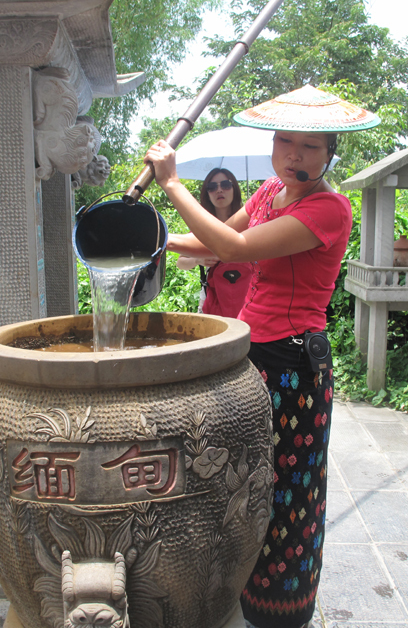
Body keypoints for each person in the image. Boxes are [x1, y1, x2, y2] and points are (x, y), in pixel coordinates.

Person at [145, 85, 379, 628]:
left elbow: (237, 251)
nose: (294, 154)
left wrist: (174, 183)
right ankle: (240, 590)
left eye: (311, 146)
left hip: (293, 363)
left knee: (290, 485)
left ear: (330, 153)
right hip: (254, 352)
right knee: (247, 483)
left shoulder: (329, 208)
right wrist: (151, 239)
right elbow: (213, 241)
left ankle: (282, 610)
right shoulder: (272, 189)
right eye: (285, 141)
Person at [176, 168, 253, 318]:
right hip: (214, 299)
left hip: (249, 298)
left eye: (225, 185)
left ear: (234, 189)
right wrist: (198, 259)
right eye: (212, 187)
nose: (219, 190)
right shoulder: (203, 228)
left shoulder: (251, 223)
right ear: (207, 193)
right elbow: (181, 262)